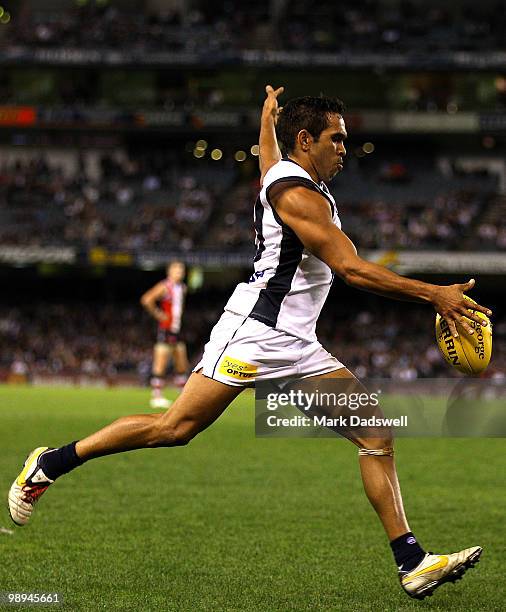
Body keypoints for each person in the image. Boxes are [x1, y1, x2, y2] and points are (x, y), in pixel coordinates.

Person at [8, 86, 491, 600]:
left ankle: (412, 562)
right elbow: (350, 269)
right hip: (255, 333)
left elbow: (269, 160)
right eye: (337, 139)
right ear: (307, 140)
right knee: (174, 428)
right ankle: (51, 462)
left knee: (375, 434)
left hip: (298, 343)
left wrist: (266, 122)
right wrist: (434, 295)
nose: (344, 148)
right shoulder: (298, 195)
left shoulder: (288, 174)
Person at [140, 261, 189, 408]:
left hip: (177, 330)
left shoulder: (182, 288)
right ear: (170, 272)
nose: (180, 272)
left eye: (182, 269)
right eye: (177, 269)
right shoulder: (165, 286)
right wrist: (159, 314)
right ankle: (156, 396)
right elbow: (146, 299)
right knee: (160, 363)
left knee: (182, 363)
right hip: (166, 330)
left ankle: (183, 396)